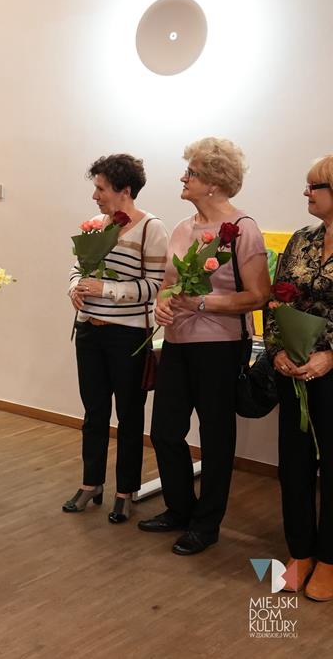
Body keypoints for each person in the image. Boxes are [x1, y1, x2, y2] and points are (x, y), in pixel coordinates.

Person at [139, 138, 269, 555]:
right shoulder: (182, 228)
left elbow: (258, 296)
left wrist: (201, 303)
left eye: (191, 172)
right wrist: (162, 305)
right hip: (178, 343)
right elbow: (167, 285)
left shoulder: (243, 229)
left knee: (215, 437)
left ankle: (206, 524)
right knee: (165, 431)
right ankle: (180, 509)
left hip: (221, 346)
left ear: (213, 182)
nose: (183, 177)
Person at [66, 154, 169, 523]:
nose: (95, 196)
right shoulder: (95, 225)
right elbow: (77, 269)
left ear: (125, 190)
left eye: (101, 188)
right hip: (89, 332)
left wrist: (106, 289)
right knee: (94, 412)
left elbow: (154, 286)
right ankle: (91, 483)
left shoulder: (151, 228)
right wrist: (75, 288)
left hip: (128, 336)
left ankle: (125, 491)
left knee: (129, 414)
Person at [265, 154, 333, 599]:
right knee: (294, 463)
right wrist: (276, 352)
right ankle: (301, 551)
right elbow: (276, 300)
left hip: (331, 370)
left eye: (314, 186)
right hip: (293, 368)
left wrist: (331, 356)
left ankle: (329, 558)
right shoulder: (301, 239)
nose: (306, 193)